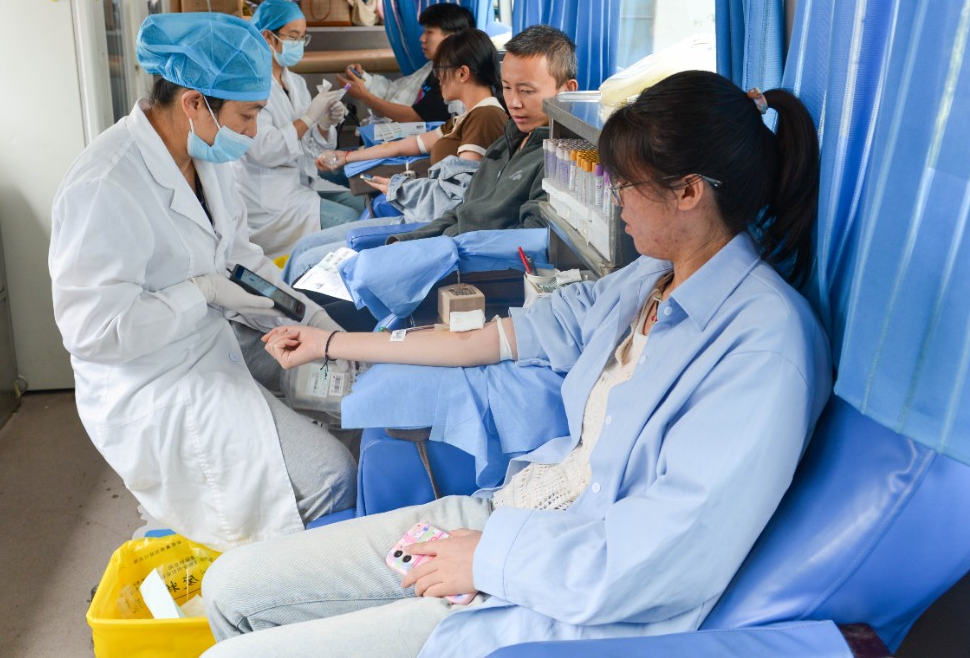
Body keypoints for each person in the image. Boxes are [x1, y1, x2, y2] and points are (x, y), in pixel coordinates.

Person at [199, 72, 832, 656]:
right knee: (230, 586)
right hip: (512, 516)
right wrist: (330, 345)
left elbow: (663, 557)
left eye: (626, 186)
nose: (616, 202)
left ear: (689, 192)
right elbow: (481, 340)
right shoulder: (645, 282)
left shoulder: (762, 349)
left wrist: (488, 561)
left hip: (556, 599)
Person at [48, 13, 355, 552]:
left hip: (214, 338)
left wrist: (309, 316)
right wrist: (201, 291)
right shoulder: (104, 185)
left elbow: (239, 257)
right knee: (330, 477)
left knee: (345, 388)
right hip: (156, 378)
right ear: (194, 102)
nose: (253, 132)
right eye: (248, 115)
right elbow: (93, 332)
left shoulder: (203, 156)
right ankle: (265, 584)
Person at [281, 24, 578, 283]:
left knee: (310, 265)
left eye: (527, 91)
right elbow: (461, 210)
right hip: (439, 245)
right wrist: (405, 242)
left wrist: (418, 249)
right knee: (306, 253)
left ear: (568, 90)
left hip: (456, 265)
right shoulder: (507, 141)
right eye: (508, 88)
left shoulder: (557, 161)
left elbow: (524, 246)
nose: (513, 102)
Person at [318, 28, 508, 210]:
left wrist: (405, 190)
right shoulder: (466, 118)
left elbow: (460, 192)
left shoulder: (485, 116)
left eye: (439, 70)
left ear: (462, 73)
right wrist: (346, 156)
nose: (438, 79)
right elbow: (403, 146)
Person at [237, 0, 362, 260]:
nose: (299, 44)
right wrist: (308, 117)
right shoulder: (249, 85)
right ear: (267, 37)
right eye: (293, 37)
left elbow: (314, 151)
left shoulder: (295, 82)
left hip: (299, 184)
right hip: (268, 201)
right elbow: (266, 151)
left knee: (365, 205)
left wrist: (325, 124)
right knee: (351, 223)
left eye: (303, 37)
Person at [342, 3, 476, 124]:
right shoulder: (431, 67)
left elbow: (413, 117)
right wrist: (363, 78)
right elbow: (395, 91)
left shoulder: (455, 77)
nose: (422, 38)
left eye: (429, 32)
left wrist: (364, 96)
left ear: (451, 37)